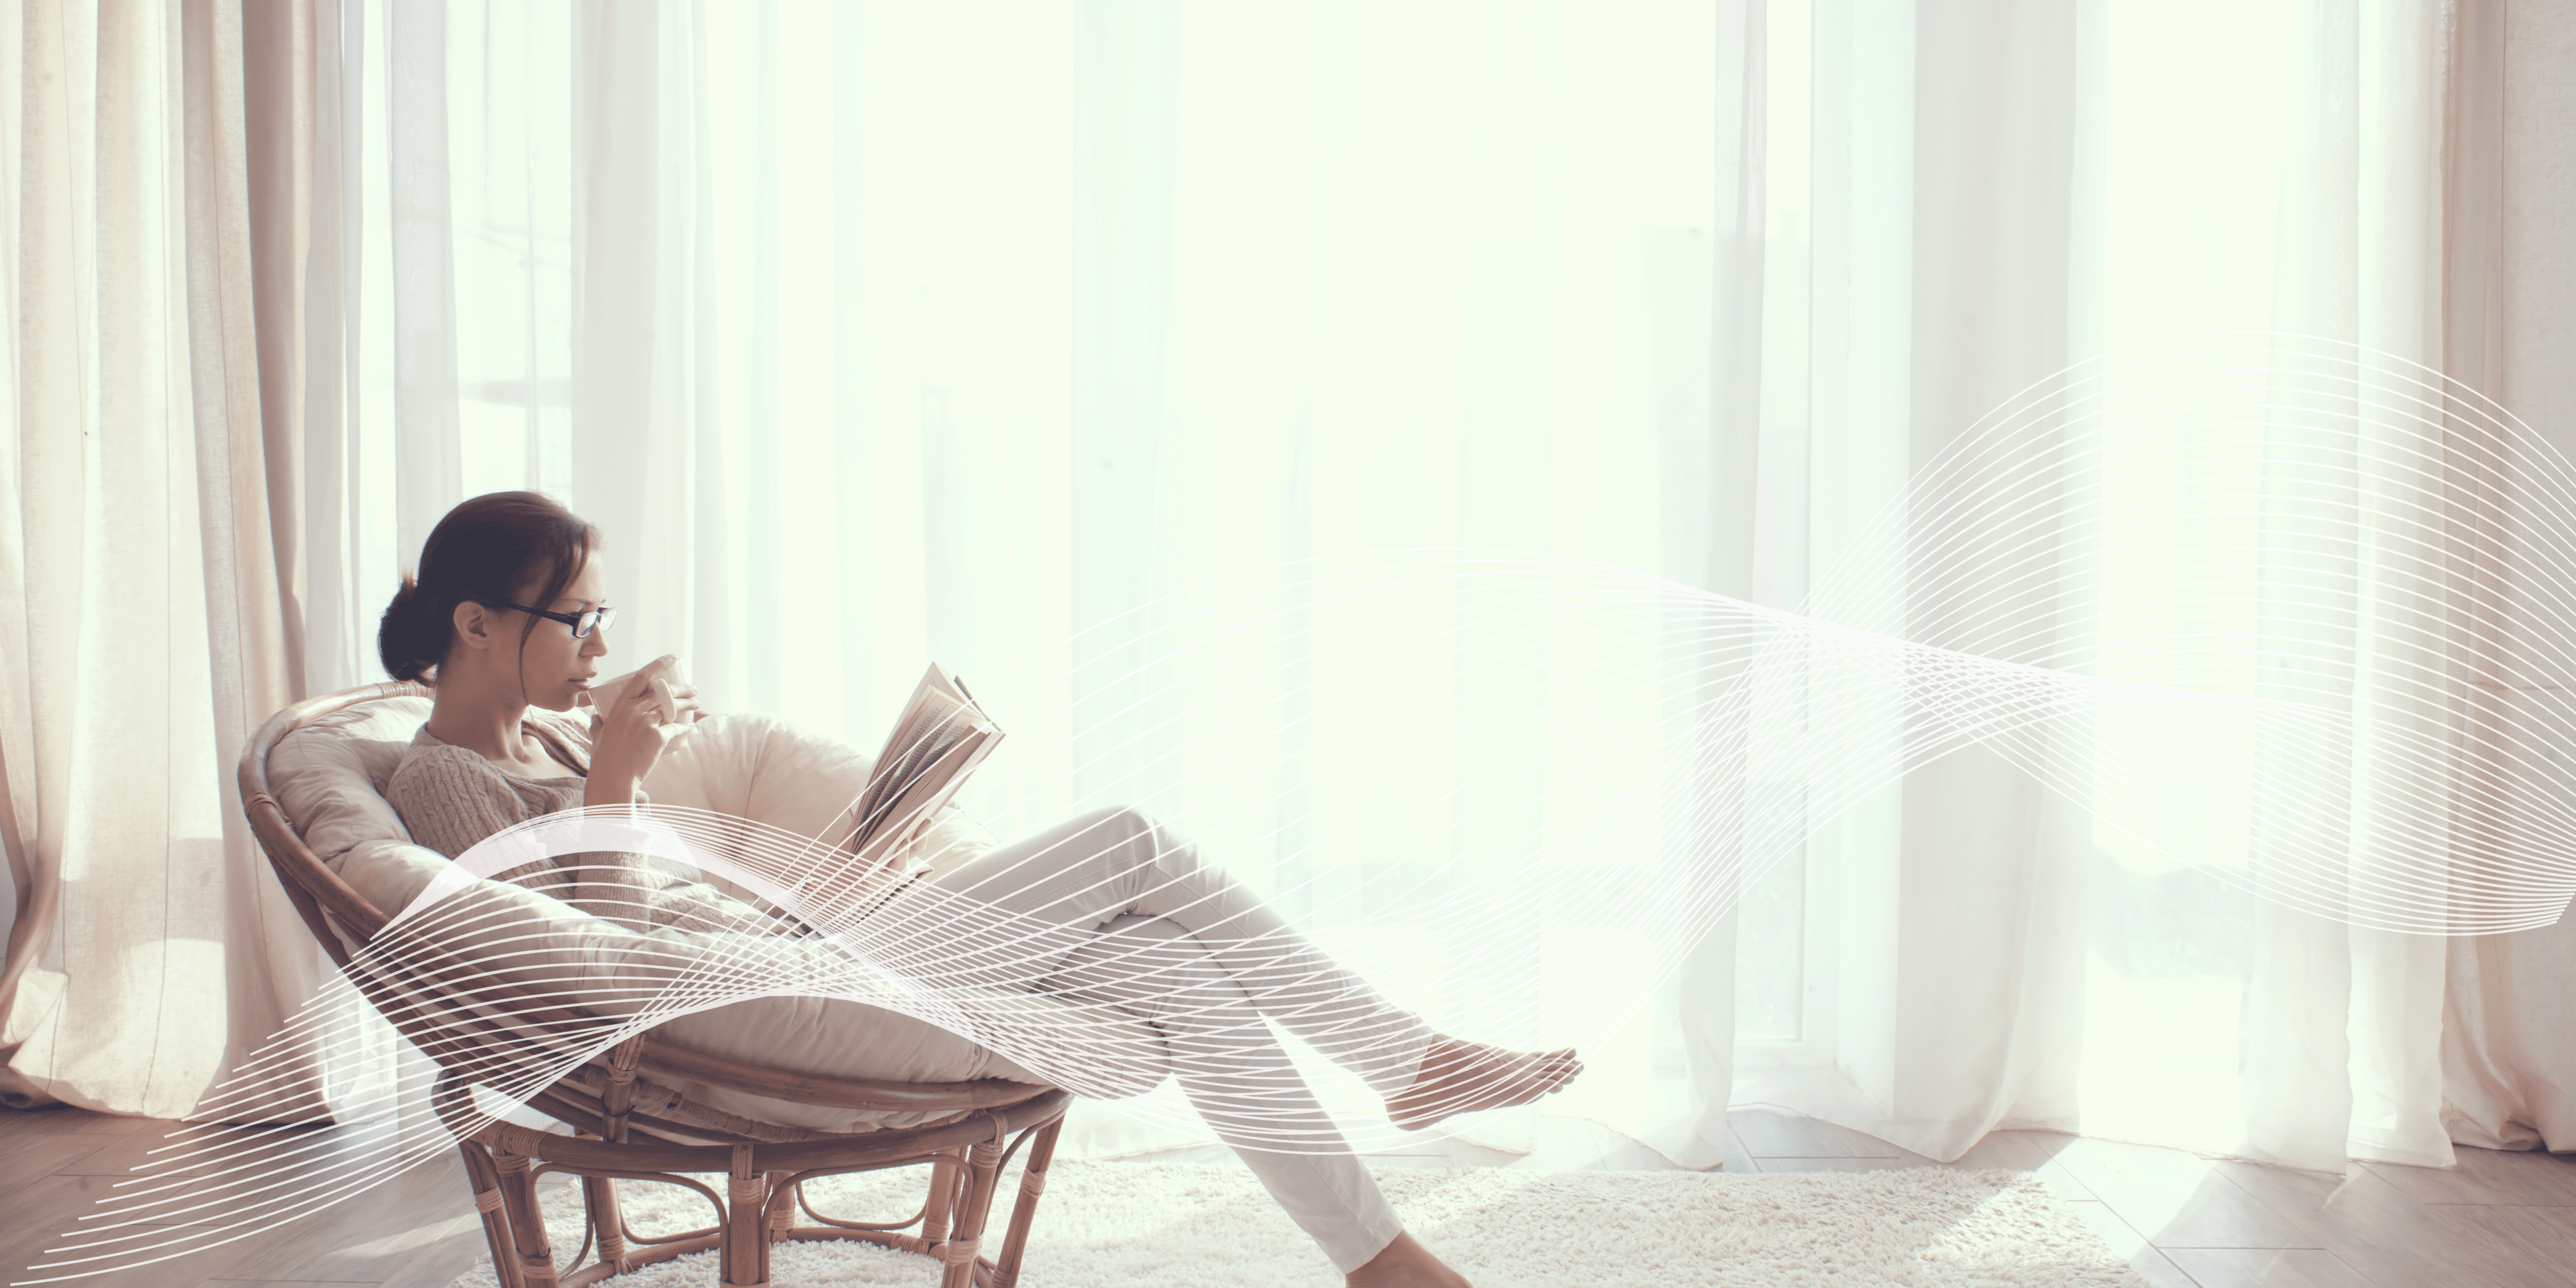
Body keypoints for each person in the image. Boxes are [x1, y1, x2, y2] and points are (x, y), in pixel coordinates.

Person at [376, 492, 1580, 1288]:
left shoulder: (543, 747)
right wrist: (626, 785)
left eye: (604, 617)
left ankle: (1383, 1263)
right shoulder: (441, 783)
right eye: (577, 618)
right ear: (478, 625)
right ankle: (1406, 1061)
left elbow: (648, 885)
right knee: (1131, 838)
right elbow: (598, 970)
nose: (599, 643)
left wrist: (778, 842)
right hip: (743, 997)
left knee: (1174, 971)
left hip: (797, 942)